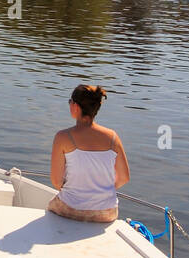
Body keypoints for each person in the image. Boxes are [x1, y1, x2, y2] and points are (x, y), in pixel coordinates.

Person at [48, 85, 129, 223]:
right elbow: (124, 178)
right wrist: (99, 192)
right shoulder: (113, 137)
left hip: (70, 209)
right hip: (107, 213)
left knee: (50, 207)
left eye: (70, 102)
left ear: (76, 107)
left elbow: (56, 181)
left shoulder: (63, 137)